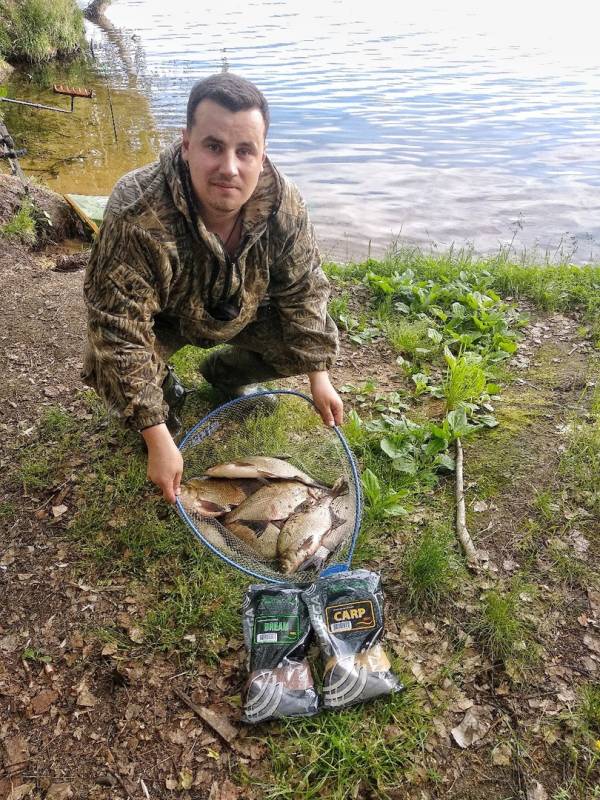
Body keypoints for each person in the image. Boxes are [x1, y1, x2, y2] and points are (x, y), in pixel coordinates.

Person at [82, 72, 343, 504]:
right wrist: (155, 433)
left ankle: (225, 375)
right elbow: (116, 326)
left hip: (242, 311)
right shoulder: (136, 206)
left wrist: (319, 376)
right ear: (186, 144)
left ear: (262, 156)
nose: (229, 168)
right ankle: (166, 398)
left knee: (305, 343)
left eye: (245, 151)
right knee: (101, 362)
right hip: (164, 321)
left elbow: (304, 289)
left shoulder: (284, 204)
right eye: (213, 146)